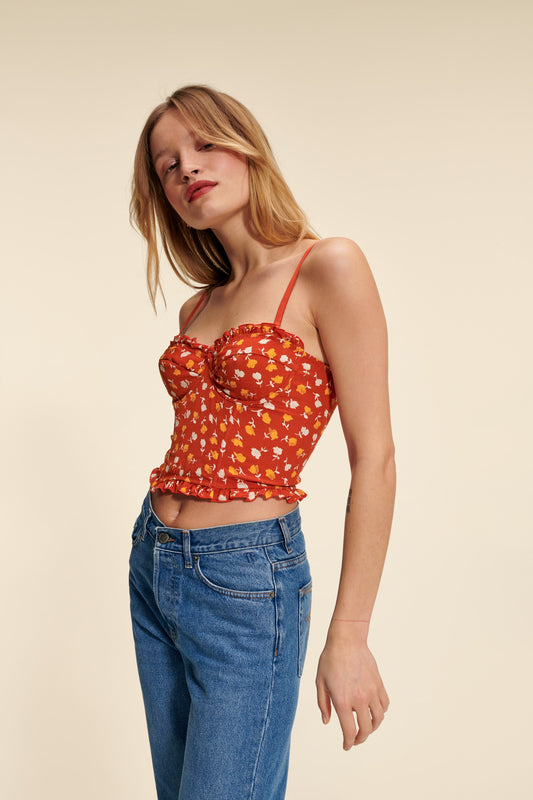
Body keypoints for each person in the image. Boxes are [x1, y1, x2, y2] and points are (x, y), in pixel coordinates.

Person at [128, 84, 395, 800]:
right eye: (167, 165)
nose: (187, 168)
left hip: (246, 578)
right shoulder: (199, 304)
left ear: (247, 148)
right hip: (154, 560)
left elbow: (375, 458)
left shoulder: (327, 266)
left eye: (204, 144)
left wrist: (349, 633)